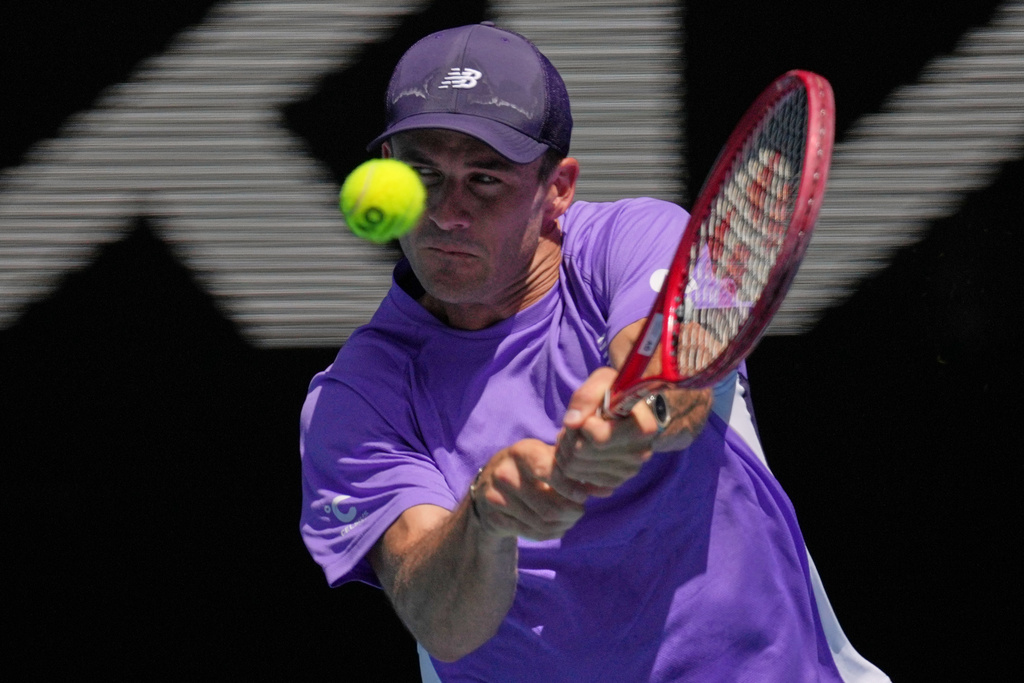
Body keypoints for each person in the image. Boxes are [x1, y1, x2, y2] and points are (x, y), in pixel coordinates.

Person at [300, 22, 889, 682]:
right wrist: (486, 517)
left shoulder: (636, 240)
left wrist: (628, 412)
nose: (447, 212)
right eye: (424, 174)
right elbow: (440, 620)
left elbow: (675, 371)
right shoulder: (354, 396)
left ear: (559, 187)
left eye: (486, 178)